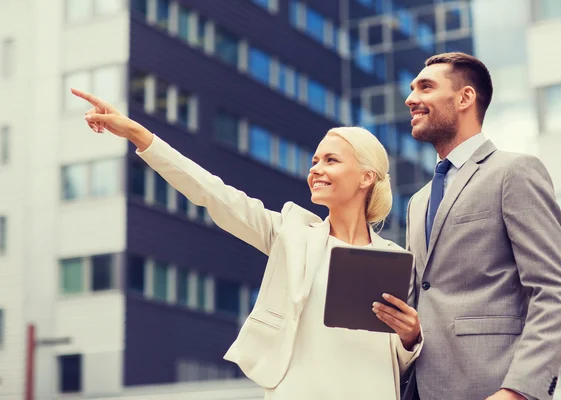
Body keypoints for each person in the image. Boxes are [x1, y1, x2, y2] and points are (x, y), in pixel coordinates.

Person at [71, 88, 424, 399]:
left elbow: (395, 355)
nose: (315, 169)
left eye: (331, 160)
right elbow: (211, 192)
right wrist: (136, 133)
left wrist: (411, 336)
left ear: (366, 177)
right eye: (314, 160)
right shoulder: (291, 234)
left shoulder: (393, 260)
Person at [378, 52, 561, 400]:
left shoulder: (513, 172)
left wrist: (518, 390)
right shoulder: (418, 202)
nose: (411, 99)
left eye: (425, 87)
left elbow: (557, 292)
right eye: (411, 89)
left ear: (465, 97)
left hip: (492, 388)